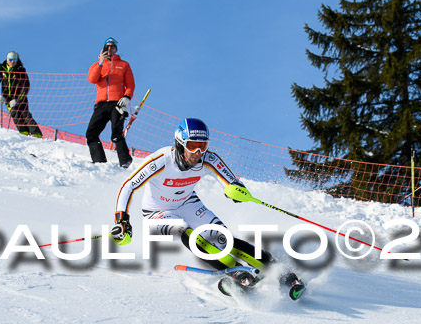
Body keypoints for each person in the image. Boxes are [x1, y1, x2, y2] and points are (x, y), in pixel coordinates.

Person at [110, 118, 305, 299]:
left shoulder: (207, 159)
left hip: (187, 202)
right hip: (157, 212)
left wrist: (236, 191)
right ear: (180, 144)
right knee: (182, 229)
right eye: (192, 146)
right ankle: (237, 271)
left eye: (202, 146)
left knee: (221, 238)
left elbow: (230, 181)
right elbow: (129, 185)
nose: (198, 153)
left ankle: (279, 271)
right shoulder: (161, 160)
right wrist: (122, 220)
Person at [85, 37, 135, 168]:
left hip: (117, 103)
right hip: (101, 104)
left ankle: (125, 161)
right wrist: (100, 63)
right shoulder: (96, 65)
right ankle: (99, 161)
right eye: (107, 47)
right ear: (102, 49)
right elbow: (92, 79)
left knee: (117, 134)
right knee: (91, 133)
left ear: (116, 49)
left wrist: (126, 98)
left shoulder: (124, 64)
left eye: (112, 47)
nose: (109, 49)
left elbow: (130, 85)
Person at [0, 51, 43, 138]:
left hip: (20, 97)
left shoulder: (21, 70)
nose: (12, 62)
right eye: (10, 60)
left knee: (25, 114)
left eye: (14, 60)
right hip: (7, 98)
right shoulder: (1, 68)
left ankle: (36, 133)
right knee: (15, 114)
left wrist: (18, 100)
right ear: (7, 60)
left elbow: (26, 86)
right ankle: (24, 133)